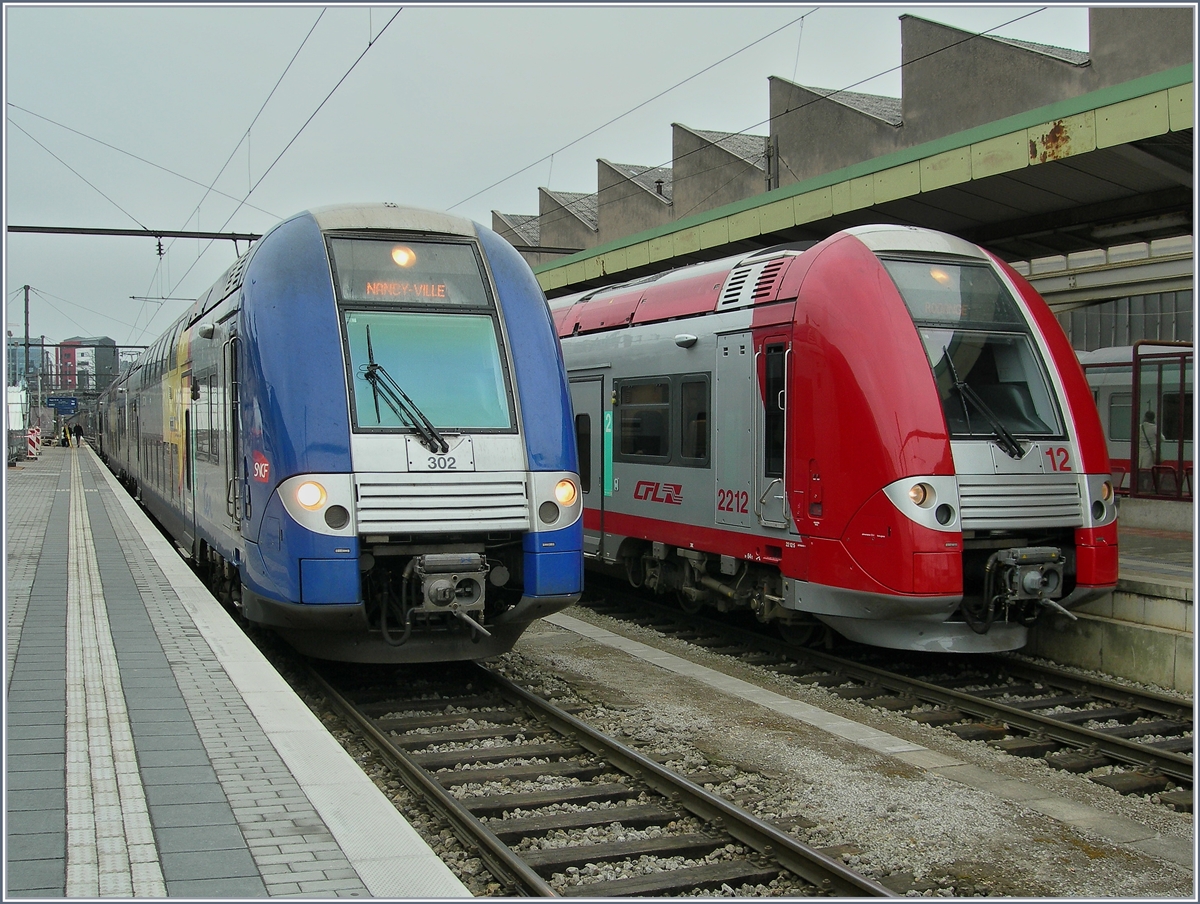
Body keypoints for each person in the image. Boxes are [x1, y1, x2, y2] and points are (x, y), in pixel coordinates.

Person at [1137, 409, 1158, 491]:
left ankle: (1141, 489)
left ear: (1145, 417)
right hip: (1150, 455)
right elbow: (1163, 438)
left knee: (1140, 475)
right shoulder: (1154, 428)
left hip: (1141, 454)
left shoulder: (1140, 427)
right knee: (1150, 475)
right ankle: (1149, 490)